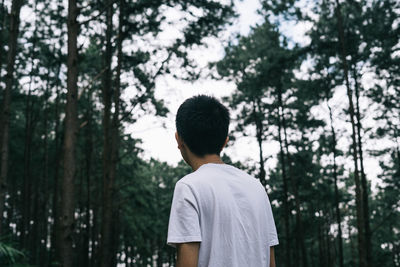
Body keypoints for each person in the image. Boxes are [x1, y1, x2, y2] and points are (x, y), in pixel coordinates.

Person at [167, 95, 278, 267]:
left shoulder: (189, 187)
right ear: (225, 142)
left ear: (178, 139)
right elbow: (271, 261)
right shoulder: (257, 188)